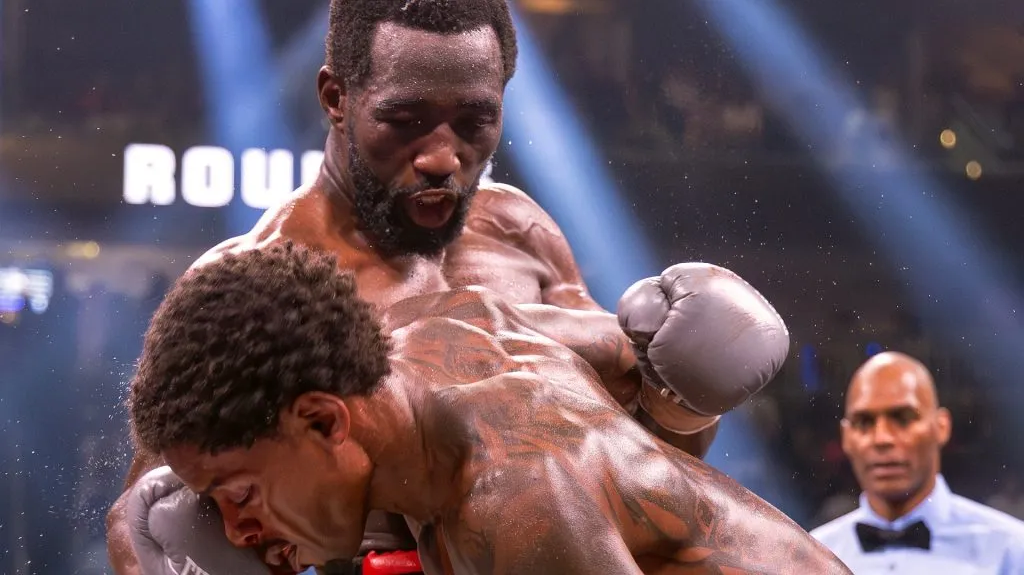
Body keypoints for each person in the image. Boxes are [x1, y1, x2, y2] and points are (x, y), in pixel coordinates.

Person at [107, 0, 790, 573]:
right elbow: (159, 505)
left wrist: (683, 404)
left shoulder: (519, 230)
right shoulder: (253, 289)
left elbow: (630, 459)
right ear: (337, 98)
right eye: (405, 121)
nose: (440, 156)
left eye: (473, 122)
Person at [126, 244, 847, 574]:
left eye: (240, 495)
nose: (237, 530)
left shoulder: (518, 511)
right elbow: (643, 357)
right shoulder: (426, 331)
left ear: (323, 421)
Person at [811, 351, 1024, 573]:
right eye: (864, 422)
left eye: (903, 418)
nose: (882, 438)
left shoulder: (1013, 551)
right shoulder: (808, 558)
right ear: (846, 437)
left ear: (941, 426)